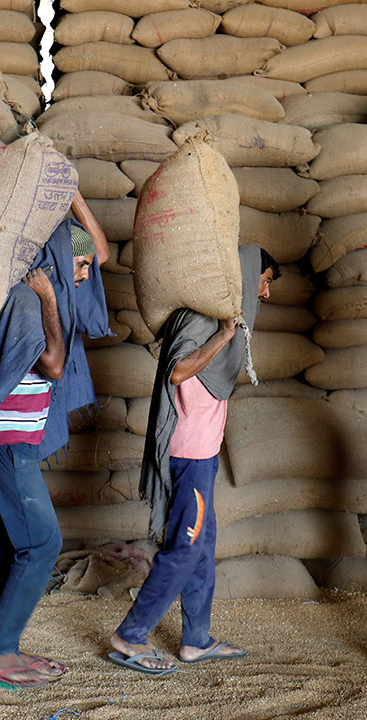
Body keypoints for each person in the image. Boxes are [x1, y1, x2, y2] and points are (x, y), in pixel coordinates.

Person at [0, 191, 111, 688]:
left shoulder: (35, 293)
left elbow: (98, 254)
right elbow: (54, 366)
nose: (84, 275)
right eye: (75, 265)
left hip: (12, 442)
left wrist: (73, 196)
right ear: (58, 261)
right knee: (43, 542)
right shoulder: (25, 301)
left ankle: (3, 644)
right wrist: (53, 301)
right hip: (7, 445)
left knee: (13, 543)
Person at [107, 246, 278, 675]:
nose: (266, 292)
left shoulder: (216, 318)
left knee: (202, 548)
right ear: (248, 274)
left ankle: (196, 641)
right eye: (266, 279)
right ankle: (130, 635)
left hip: (202, 454)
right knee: (184, 549)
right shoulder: (204, 322)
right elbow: (178, 372)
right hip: (188, 455)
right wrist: (223, 335)